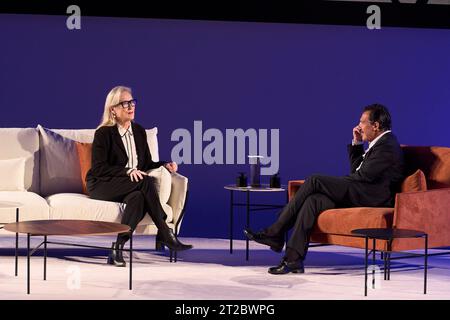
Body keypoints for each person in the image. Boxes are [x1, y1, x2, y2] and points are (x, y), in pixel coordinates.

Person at [244, 104, 404, 274]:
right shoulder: (380, 143)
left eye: (362, 122)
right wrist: (357, 143)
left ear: (376, 125)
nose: (358, 127)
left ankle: (275, 232)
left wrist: (337, 184)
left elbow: (362, 177)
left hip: (370, 196)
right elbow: (357, 171)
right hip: (362, 189)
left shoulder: (387, 144)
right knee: (313, 201)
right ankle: (293, 259)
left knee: (314, 180)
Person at [86, 86, 192, 267]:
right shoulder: (104, 133)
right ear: (113, 109)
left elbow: (147, 164)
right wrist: (127, 171)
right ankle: (165, 232)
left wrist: (164, 165)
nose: (130, 107)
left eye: (132, 102)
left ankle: (117, 248)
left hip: (132, 184)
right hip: (102, 184)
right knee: (145, 182)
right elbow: (99, 168)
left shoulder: (139, 132)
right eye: (125, 103)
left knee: (138, 198)